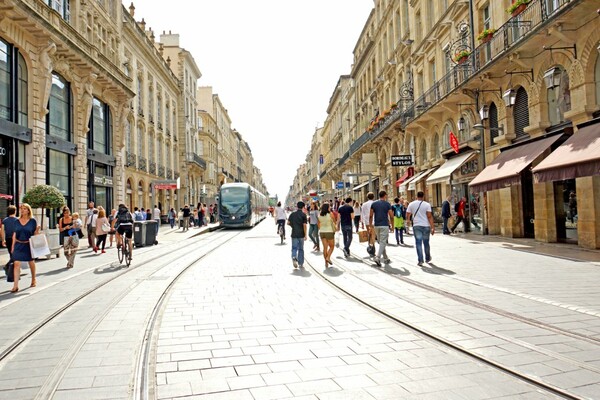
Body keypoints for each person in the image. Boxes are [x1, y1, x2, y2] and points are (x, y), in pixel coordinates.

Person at [10, 203, 40, 292]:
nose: (22, 210)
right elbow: (14, 234)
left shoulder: (32, 221)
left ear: (28, 210)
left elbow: (35, 235)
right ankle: (15, 286)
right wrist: (12, 246)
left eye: (25, 209)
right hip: (18, 245)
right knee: (16, 264)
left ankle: (33, 279)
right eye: (21, 208)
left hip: (28, 244)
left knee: (31, 262)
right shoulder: (16, 221)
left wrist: (37, 230)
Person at [406, 191, 435, 266]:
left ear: (417, 196)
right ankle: (427, 258)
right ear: (423, 196)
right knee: (426, 243)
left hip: (416, 226)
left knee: (418, 243)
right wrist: (432, 227)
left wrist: (408, 221)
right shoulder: (427, 204)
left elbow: (408, 214)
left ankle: (420, 260)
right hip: (426, 225)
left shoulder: (411, 204)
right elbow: (429, 216)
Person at [369, 190, 393, 267]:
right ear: (385, 195)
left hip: (376, 225)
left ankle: (385, 258)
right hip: (384, 225)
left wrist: (370, 225)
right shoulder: (387, 204)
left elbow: (370, 215)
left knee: (380, 242)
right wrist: (392, 226)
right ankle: (378, 257)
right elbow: (391, 216)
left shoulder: (374, 204)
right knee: (382, 242)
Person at [288, 201, 307, 269]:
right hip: (301, 234)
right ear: (303, 207)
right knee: (301, 249)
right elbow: (304, 225)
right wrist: (305, 235)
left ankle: (293, 256)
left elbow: (288, 222)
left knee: (294, 248)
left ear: (297, 206)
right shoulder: (303, 215)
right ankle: (300, 263)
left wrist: (293, 226)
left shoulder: (292, 214)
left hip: (294, 233)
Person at [317, 203, 337, 268]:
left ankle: (326, 263)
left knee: (325, 248)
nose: (330, 208)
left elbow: (318, 224)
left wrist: (322, 229)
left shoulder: (319, 215)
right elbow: (334, 221)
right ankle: (328, 257)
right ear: (327, 208)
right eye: (329, 207)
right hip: (329, 231)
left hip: (322, 232)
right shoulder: (330, 214)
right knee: (332, 246)